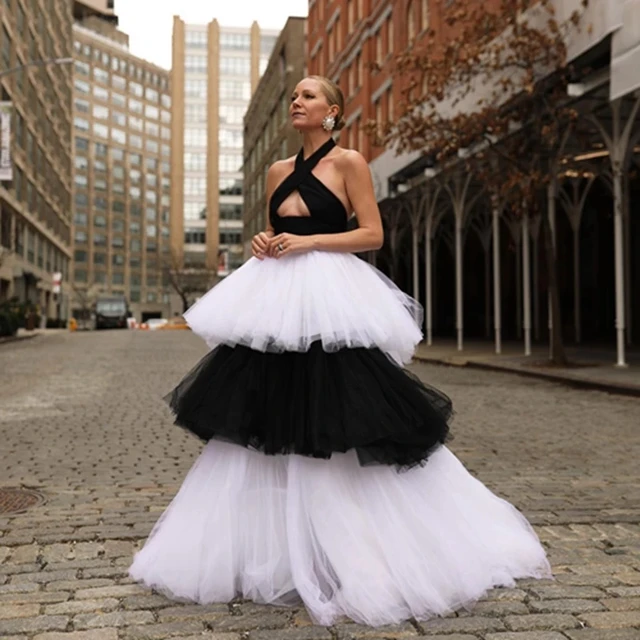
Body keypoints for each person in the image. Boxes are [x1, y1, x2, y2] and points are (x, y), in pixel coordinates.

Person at [129, 76, 550, 627]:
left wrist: (308, 242)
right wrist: (264, 241)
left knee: (338, 409)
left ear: (332, 111)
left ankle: (355, 550)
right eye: (295, 94)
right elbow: (277, 230)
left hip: (331, 300)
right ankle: (276, 551)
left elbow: (371, 234)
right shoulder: (277, 171)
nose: (296, 101)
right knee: (266, 415)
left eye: (308, 95)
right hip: (277, 300)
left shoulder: (350, 162)